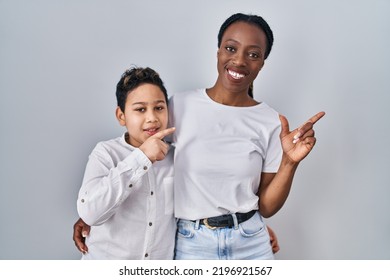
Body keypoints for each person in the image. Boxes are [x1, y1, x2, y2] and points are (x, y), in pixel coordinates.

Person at [169, 13, 325, 260]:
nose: (239, 60)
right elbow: (146, 171)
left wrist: (289, 163)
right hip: (191, 245)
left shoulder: (271, 121)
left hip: (251, 244)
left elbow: (266, 206)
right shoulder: (178, 106)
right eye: (231, 48)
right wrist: (99, 218)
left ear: (262, 63)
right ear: (218, 51)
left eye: (253, 54)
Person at [76, 66, 176, 259]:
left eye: (159, 108)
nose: (152, 118)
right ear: (121, 116)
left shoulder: (176, 157)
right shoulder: (106, 153)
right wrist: (142, 157)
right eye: (140, 109)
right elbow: (90, 212)